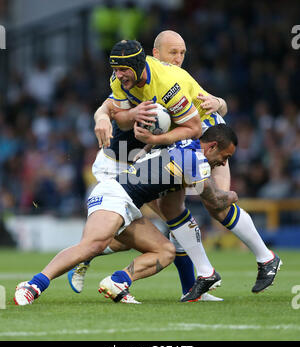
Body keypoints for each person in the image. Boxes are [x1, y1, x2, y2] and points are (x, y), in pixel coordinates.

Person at [70, 34, 282, 299]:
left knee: (213, 205)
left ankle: (262, 259)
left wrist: (218, 104)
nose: (178, 60)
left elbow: (207, 112)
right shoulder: (128, 77)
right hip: (140, 152)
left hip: (202, 135)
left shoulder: (169, 82)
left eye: (182, 53)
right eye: (173, 53)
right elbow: (111, 110)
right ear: (154, 55)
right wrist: (105, 117)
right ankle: (199, 282)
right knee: (171, 211)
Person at [14, 124, 239, 306]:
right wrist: (232, 195)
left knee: (165, 251)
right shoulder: (197, 161)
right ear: (212, 146)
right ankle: (33, 285)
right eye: (225, 156)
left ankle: (118, 281)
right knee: (92, 244)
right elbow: (215, 201)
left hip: (130, 205)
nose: (223, 163)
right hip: (115, 193)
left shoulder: (184, 146)